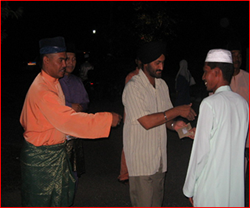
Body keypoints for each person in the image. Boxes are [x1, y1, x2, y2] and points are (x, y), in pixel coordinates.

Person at [19, 36, 122, 207]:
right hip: (42, 159)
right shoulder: (43, 90)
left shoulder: (52, 82)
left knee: (61, 197)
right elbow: (69, 120)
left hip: (54, 153)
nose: (65, 64)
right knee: (41, 201)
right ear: (46, 60)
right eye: (61, 60)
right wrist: (107, 119)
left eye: (66, 59)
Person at [122, 41, 197, 207]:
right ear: (146, 63)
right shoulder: (133, 88)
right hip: (142, 162)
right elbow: (147, 121)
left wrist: (184, 130)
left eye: (163, 62)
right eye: (157, 63)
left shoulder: (162, 85)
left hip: (159, 161)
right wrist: (177, 110)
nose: (161, 67)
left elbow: (167, 120)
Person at [183, 49, 249, 207]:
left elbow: (200, 153)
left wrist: (190, 188)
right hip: (233, 187)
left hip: (211, 187)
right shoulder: (243, 103)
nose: (203, 77)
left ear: (217, 72)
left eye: (206, 72)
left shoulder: (209, 104)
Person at [59, 42, 89, 190]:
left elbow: (85, 102)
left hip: (74, 135)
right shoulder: (53, 81)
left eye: (74, 59)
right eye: (68, 59)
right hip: (57, 137)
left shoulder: (77, 81)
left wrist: (81, 108)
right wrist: (69, 106)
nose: (71, 63)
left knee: (74, 173)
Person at [118, 58, 141, 184]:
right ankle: (124, 173)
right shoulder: (132, 77)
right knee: (128, 145)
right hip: (132, 117)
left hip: (143, 117)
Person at [227, 41, 249, 174]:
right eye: (233, 55)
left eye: (239, 55)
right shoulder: (222, 79)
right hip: (226, 134)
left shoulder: (247, 78)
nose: (237, 59)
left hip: (245, 135)